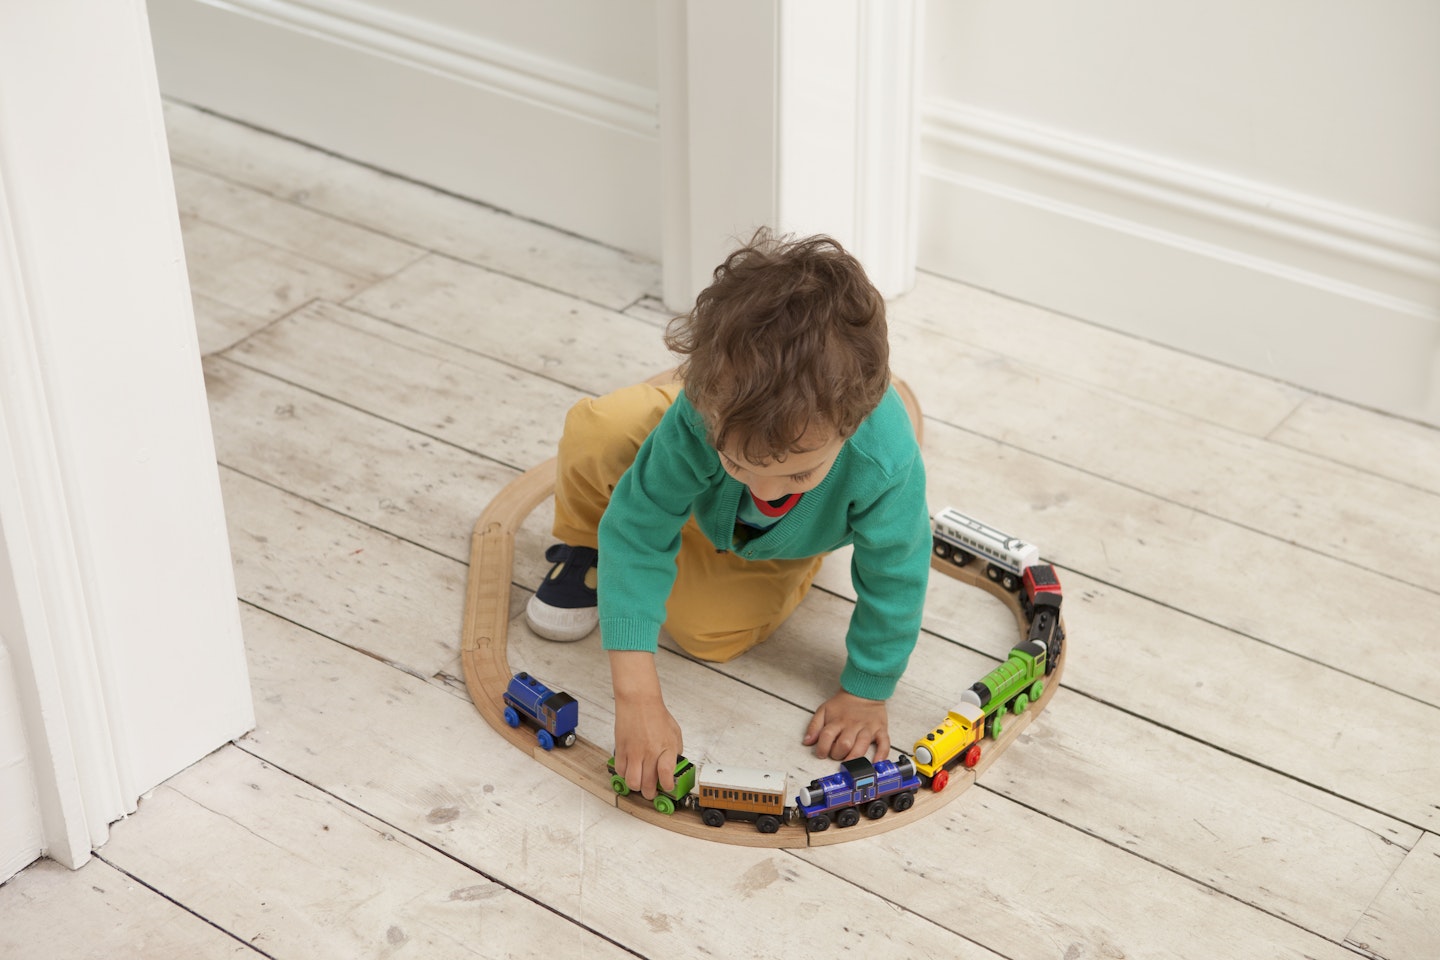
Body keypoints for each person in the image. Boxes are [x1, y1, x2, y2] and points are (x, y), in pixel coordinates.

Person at [525, 229, 930, 801]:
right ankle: (584, 546)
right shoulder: (701, 415)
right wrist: (637, 697)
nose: (765, 488)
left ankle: (794, 549)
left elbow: (896, 577)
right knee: (600, 429)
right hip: (701, 483)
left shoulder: (882, 461)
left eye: (796, 475)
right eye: (739, 460)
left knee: (708, 634)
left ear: (853, 425)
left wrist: (867, 691)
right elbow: (638, 529)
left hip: (770, 545)